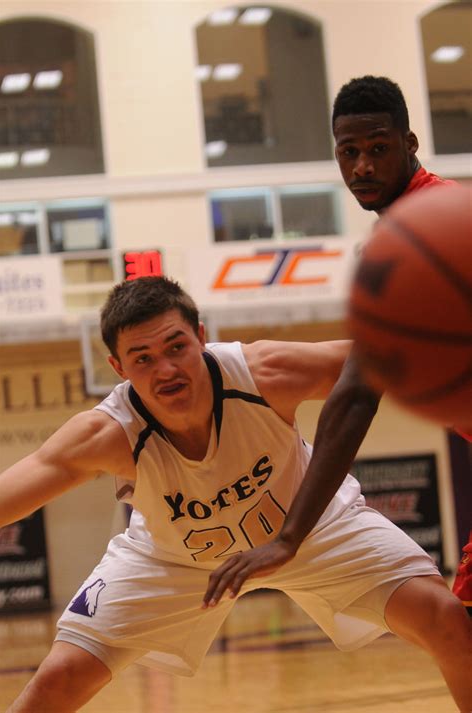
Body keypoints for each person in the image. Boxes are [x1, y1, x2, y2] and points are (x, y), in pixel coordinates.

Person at [0, 274, 470, 711]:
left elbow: (377, 360)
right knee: (58, 679)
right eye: (143, 358)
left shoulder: (262, 373)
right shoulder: (106, 434)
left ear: (201, 336)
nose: (165, 369)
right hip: (174, 560)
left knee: (444, 618)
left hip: (318, 530)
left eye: (176, 346)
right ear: (118, 367)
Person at [202, 76, 472, 708]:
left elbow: (356, 396)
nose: (363, 165)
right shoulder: (418, 226)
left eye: (378, 147)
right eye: (348, 151)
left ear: (410, 143)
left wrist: (290, 535)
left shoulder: (431, 231)